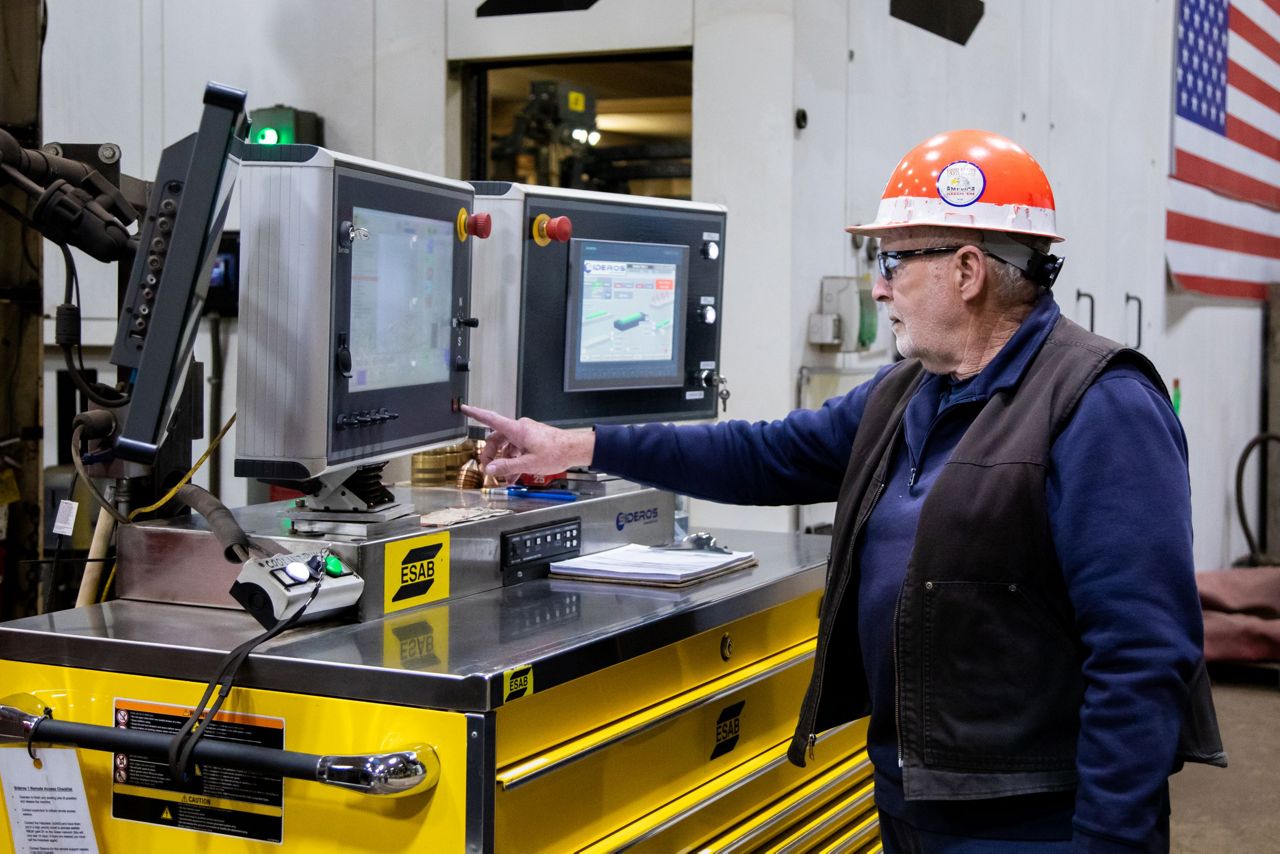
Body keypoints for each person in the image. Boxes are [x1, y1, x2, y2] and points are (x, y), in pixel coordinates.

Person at [463, 129, 1225, 852]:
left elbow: (1142, 654)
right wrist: (577, 446)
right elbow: (762, 454)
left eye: (894, 261)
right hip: (915, 793)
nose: (879, 285)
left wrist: (1113, 838)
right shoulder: (908, 394)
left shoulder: (1098, 402)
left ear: (967, 270)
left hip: (1031, 816)